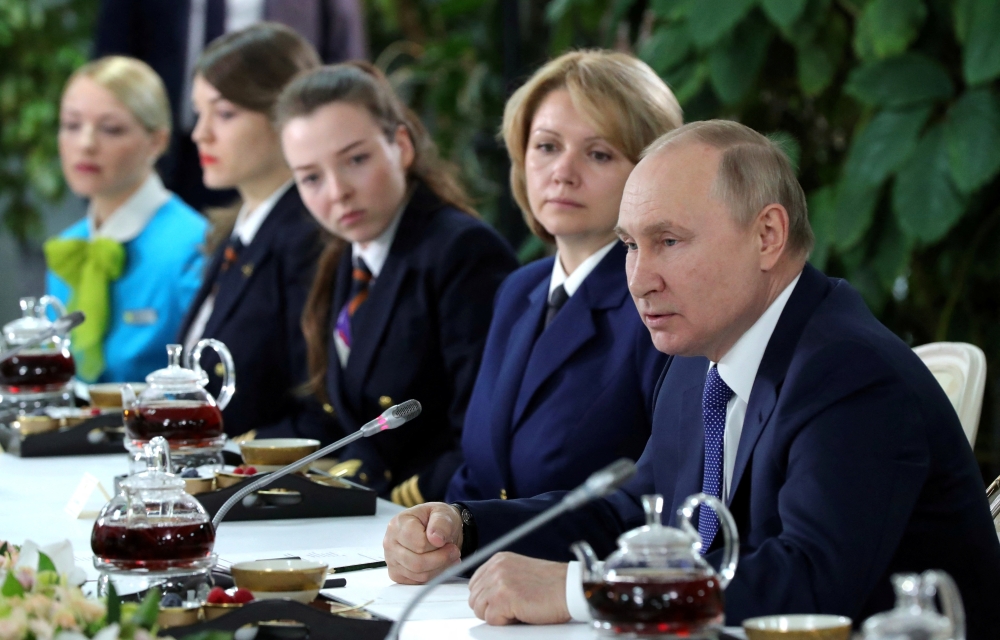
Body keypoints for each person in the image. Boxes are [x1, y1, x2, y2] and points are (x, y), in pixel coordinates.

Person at [382, 120, 1000, 638]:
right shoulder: (696, 357)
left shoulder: (850, 372)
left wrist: (587, 591)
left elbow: (811, 582)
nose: (638, 278)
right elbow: (631, 513)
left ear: (767, 235)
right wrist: (466, 530)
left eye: (669, 241)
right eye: (629, 245)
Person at [276, 62, 519, 504]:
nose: (337, 191)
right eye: (311, 177)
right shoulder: (345, 254)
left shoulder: (460, 251)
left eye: (356, 160)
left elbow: (479, 430)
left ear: (401, 145)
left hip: (433, 513)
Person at [445, 51, 680, 504]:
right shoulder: (519, 290)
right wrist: (438, 528)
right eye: (547, 147)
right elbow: (480, 472)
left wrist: (475, 532)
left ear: (651, 173)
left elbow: (657, 494)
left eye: (598, 154)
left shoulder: (658, 301)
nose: (562, 174)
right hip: (479, 567)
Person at [177, 23, 329, 440]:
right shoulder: (238, 228)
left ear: (285, 117)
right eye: (199, 111)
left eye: (224, 113)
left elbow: (315, 410)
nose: (199, 133)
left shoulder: (307, 237)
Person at [93, 0, 368, 212]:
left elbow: (343, 59)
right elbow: (114, 54)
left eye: (224, 110)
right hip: (173, 152)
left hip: (278, 154)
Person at [45, 56, 207, 384]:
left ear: (156, 141)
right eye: (72, 125)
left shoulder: (194, 246)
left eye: (111, 129)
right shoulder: (69, 246)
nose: (85, 144)